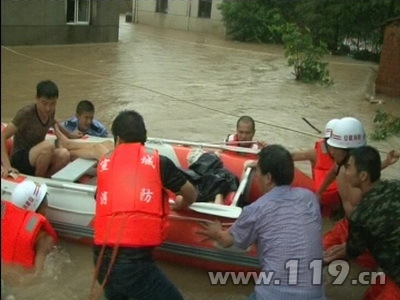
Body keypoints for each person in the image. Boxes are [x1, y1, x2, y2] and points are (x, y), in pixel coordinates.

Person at [91, 110, 197, 300]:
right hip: (133, 264)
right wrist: (182, 204)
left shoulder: (104, 164)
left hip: (101, 261)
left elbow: (100, 198)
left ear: (118, 139)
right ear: (144, 138)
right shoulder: (158, 163)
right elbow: (190, 192)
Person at [200, 145, 325, 299]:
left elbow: (226, 241)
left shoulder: (257, 209)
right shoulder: (309, 198)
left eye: (258, 170)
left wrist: (216, 232)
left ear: (268, 178)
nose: (256, 175)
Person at [321, 117, 399, 270]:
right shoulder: (342, 166)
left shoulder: (366, 207)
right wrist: (319, 192)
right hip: (348, 223)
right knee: (322, 249)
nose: (331, 151)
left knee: (360, 268)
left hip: (362, 229)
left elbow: (369, 175)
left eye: (335, 147)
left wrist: (346, 249)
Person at [324, 145, 400, 299]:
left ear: (363, 176)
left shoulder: (361, 215)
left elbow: (353, 250)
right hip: (392, 266)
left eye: (349, 168)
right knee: (373, 293)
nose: (346, 172)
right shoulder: (396, 186)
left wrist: (328, 257)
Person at [1, 80, 74, 178]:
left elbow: (53, 122)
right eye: (44, 103)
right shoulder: (26, 113)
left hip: (40, 156)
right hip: (21, 157)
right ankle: (39, 179)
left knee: (64, 154)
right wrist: (7, 166)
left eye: (52, 103)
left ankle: (45, 178)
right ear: (36, 98)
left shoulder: (50, 112)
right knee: (48, 146)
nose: (48, 108)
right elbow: (3, 135)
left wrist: (70, 135)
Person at [1, 180, 57, 277]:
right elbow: (38, 274)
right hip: (21, 281)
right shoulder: (44, 239)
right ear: (42, 206)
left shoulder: (4, 220)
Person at [291, 118, 340, 217]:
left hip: (339, 204)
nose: (333, 150)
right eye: (331, 145)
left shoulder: (350, 157)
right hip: (320, 200)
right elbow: (291, 156)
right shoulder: (314, 153)